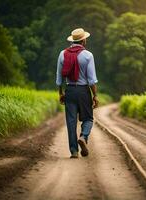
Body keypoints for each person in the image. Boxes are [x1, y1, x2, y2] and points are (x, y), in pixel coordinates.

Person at [56, 28, 99, 158]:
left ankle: (74, 151)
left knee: (71, 121)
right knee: (88, 118)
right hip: (83, 91)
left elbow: (59, 77)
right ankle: (83, 136)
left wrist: (61, 93)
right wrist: (95, 95)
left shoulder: (62, 54)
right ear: (83, 40)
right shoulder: (88, 55)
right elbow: (91, 80)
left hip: (69, 90)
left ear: (73, 40)